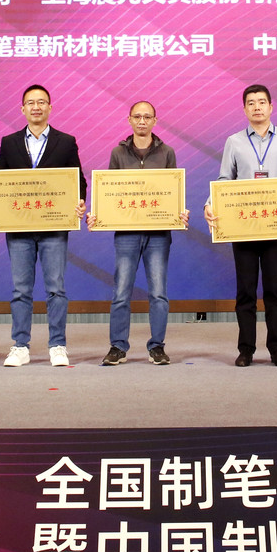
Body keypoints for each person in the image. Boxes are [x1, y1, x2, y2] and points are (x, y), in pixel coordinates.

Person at [204, 84, 277, 367]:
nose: (257, 107)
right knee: (246, 291)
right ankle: (246, 349)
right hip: (244, 226)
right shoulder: (234, 141)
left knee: (274, 291)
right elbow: (225, 179)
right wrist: (209, 204)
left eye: (262, 102)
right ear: (244, 109)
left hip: (276, 224)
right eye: (251, 103)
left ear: (271, 107)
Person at [0, 84, 87, 368]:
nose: (36, 107)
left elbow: (78, 180)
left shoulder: (66, 141)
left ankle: (58, 345)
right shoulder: (10, 142)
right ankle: (20, 346)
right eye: (31, 102)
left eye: (42, 102)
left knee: (56, 289)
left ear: (50, 107)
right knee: (21, 290)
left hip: (54, 227)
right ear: (23, 109)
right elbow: (0, 181)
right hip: (19, 228)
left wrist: (79, 200)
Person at [87, 100, 191, 366]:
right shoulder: (118, 153)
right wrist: (99, 215)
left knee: (158, 293)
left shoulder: (167, 152)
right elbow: (109, 193)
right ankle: (118, 347)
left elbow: (172, 192)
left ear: (155, 121)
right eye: (137, 116)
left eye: (147, 117)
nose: (142, 121)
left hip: (158, 234)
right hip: (126, 233)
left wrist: (179, 213)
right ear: (129, 120)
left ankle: (157, 346)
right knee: (121, 291)